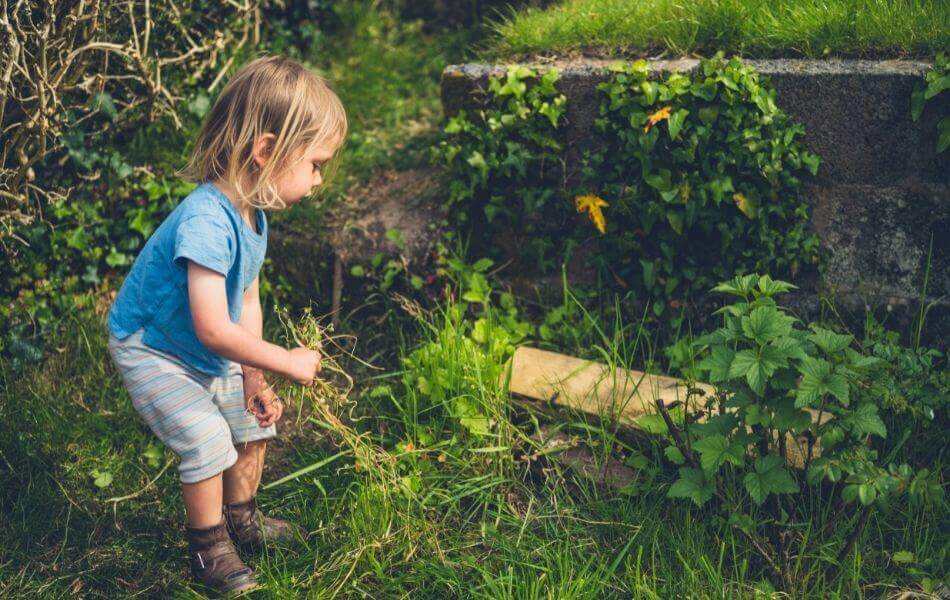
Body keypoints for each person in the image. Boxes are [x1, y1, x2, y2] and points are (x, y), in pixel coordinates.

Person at [106, 55, 347, 595]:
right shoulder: (206, 221)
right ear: (265, 151)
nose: (318, 178)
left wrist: (254, 376)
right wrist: (285, 360)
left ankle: (243, 519)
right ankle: (208, 549)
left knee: (251, 420)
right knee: (206, 436)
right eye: (314, 163)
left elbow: (246, 300)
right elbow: (214, 328)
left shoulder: (252, 215)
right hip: (154, 347)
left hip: (197, 345)